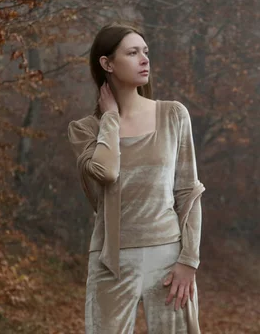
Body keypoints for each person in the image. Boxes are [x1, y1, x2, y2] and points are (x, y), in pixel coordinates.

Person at [68, 23, 205, 333]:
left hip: (169, 257)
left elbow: (188, 192)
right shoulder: (85, 130)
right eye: (132, 53)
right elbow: (107, 171)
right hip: (111, 261)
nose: (144, 59)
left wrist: (189, 261)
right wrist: (111, 120)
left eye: (145, 52)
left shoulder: (173, 115)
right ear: (107, 64)